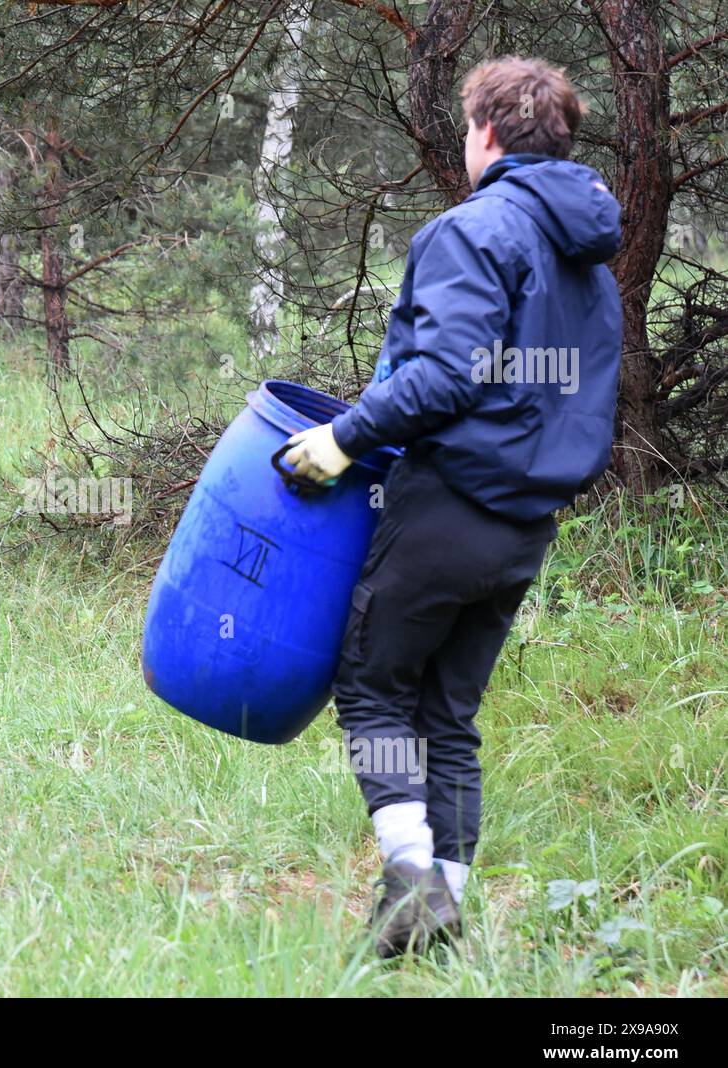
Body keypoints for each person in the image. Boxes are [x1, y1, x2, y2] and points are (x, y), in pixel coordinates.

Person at [281, 57, 622, 956]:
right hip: (527, 526)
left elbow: (442, 375)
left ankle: (411, 878)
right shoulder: (591, 260)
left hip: (449, 505)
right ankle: (443, 916)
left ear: (487, 134)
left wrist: (343, 439)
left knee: (372, 687)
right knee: (449, 712)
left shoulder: (474, 231)